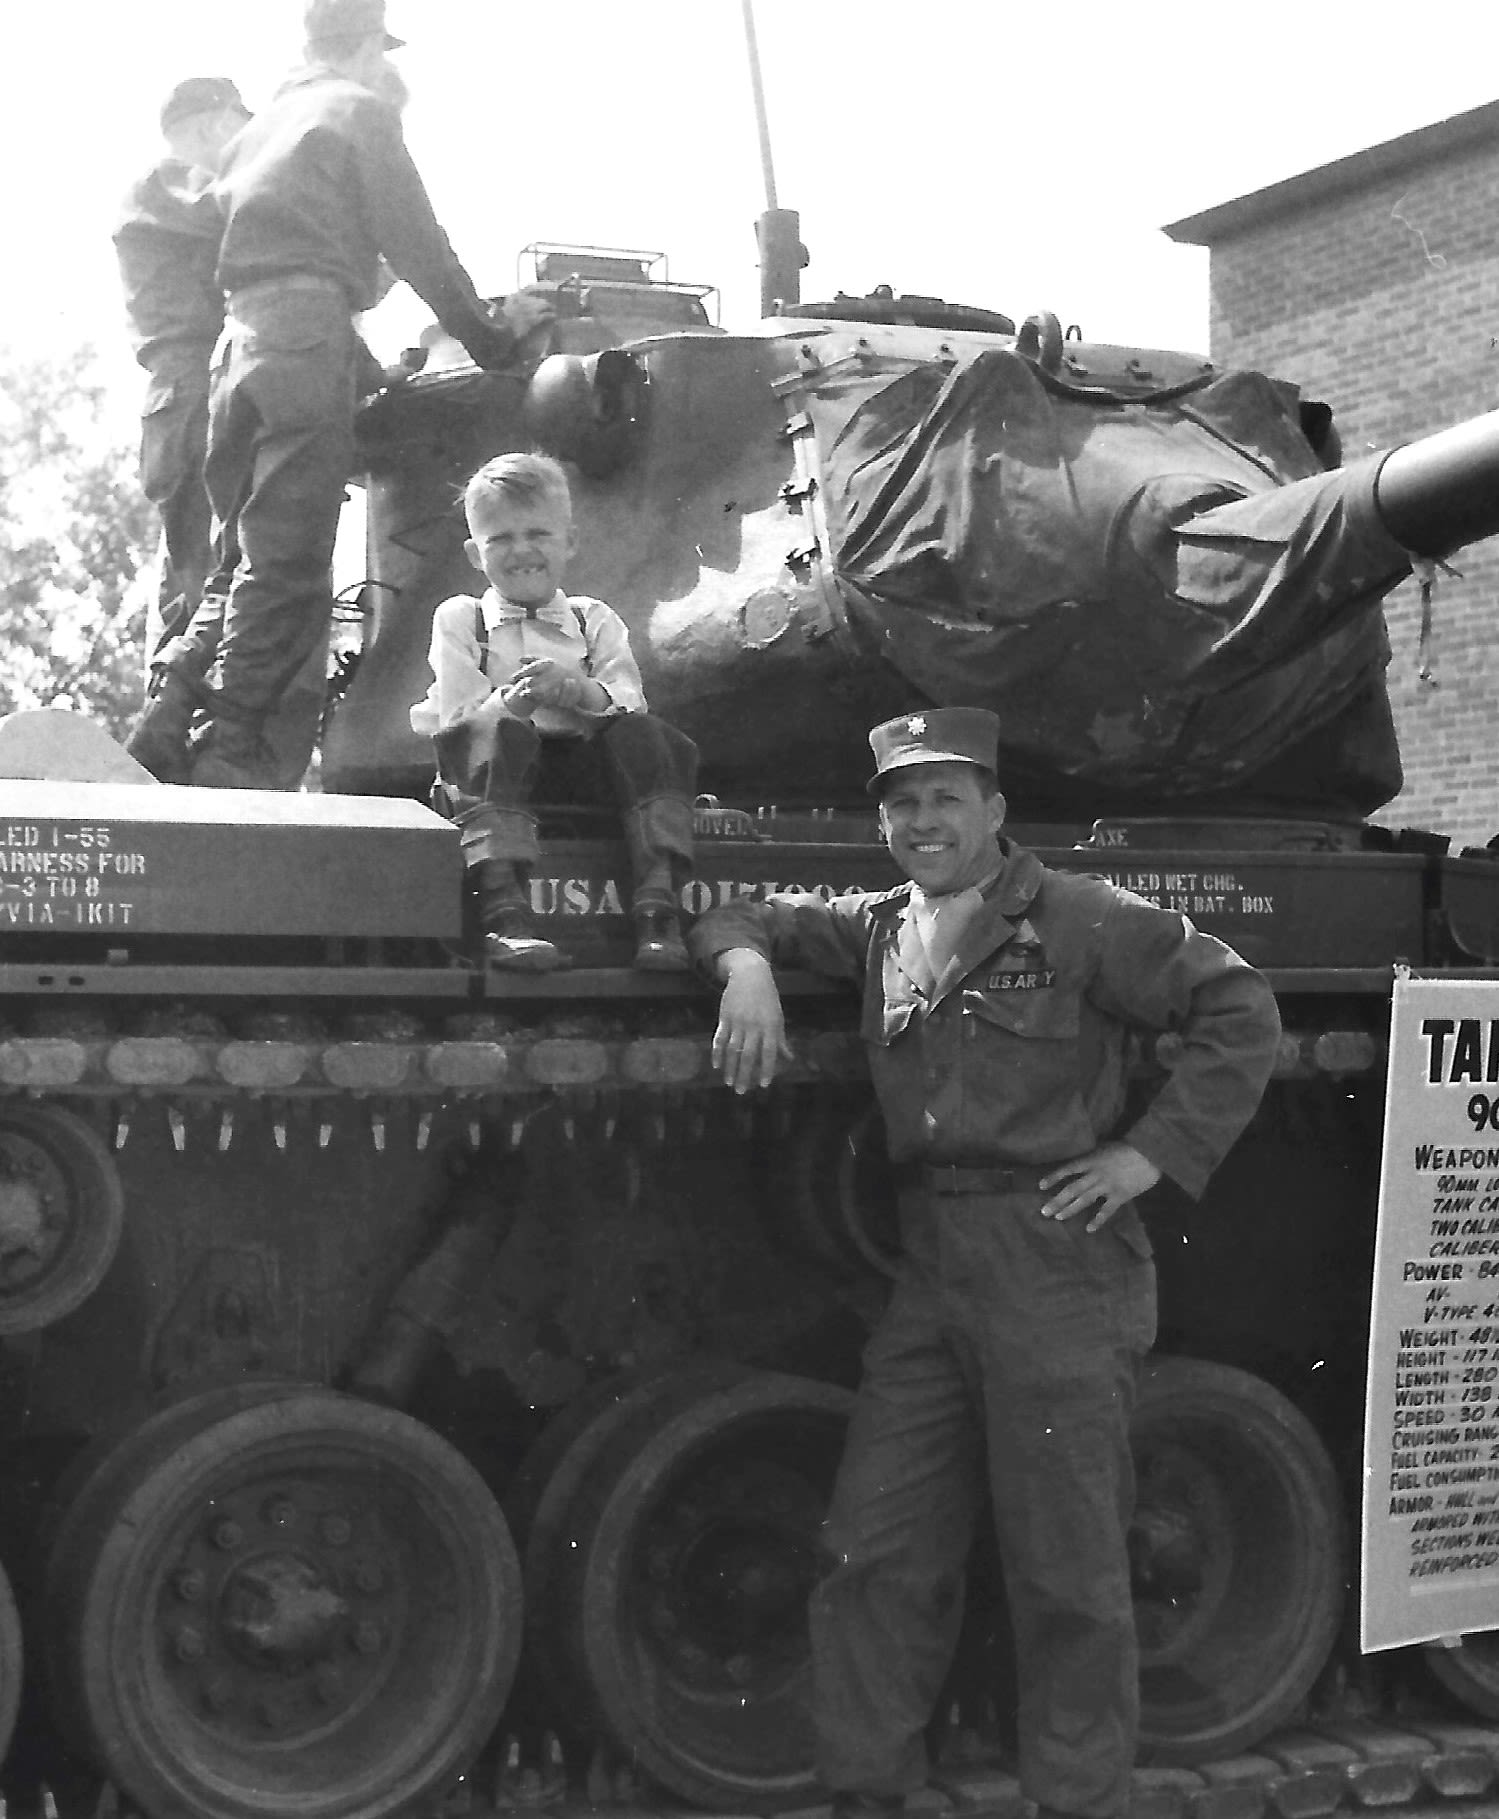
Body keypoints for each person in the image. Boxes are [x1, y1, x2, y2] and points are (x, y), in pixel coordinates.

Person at [690, 706, 1282, 1819]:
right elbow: (731, 909)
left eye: (945, 797)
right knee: (875, 1547)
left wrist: (1147, 1155)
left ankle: (1076, 1799)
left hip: (1055, 1265)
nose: (923, 820)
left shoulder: (1079, 918)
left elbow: (1236, 1004)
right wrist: (745, 971)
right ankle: (867, 1785)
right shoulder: (875, 927)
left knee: (1065, 1571)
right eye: (902, 802)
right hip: (931, 1272)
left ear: (994, 811)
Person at [137, 0, 553, 792]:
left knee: (236, 560)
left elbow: (238, 256)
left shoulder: (261, 128)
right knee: (288, 567)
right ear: (366, 46)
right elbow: (422, 249)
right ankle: (228, 751)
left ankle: (168, 711)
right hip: (304, 340)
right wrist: (495, 341)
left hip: (234, 349)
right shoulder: (357, 111)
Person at [410, 452, 698, 973]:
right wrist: (513, 702)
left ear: (569, 542)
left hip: (587, 775)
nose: (521, 550)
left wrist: (577, 690)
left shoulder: (594, 619)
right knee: (494, 730)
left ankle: (657, 912)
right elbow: (458, 719)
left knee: (650, 736)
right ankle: (504, 915)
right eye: (500, 539)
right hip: (493, 785)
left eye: (538, 534)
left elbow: (628, 698)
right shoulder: (461, 618)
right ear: (477, 554)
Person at [113, 76, 251, 678]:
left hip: (201, 386)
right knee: (200, 583)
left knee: (210, 576)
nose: (252, 137)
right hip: (195, 385)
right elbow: (240, 213)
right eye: (241, 122)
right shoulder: (168, 183)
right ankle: (165, 746)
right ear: (206, 125)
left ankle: (177, 737)